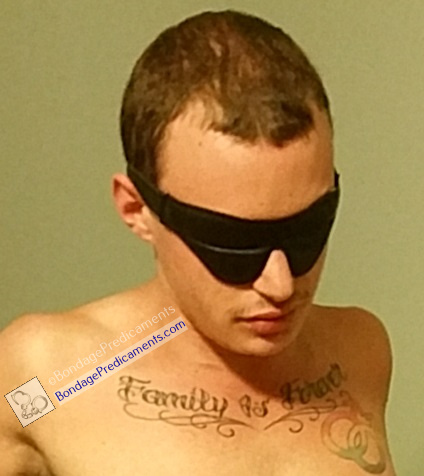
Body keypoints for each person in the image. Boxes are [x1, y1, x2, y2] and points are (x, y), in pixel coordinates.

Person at [0, 9, 396, 475]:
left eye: (306, 229)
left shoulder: (358, 354)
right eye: (232, 243)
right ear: (136, 209)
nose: (280, 285)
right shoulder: (48, 380)